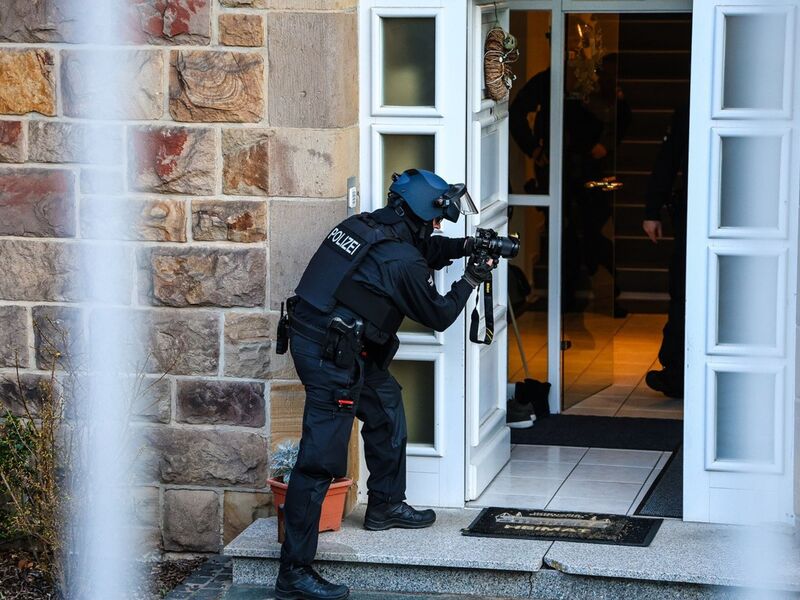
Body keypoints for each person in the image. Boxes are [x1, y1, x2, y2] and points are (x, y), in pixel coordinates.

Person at [274, 169, 494, 600]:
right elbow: (439, 314)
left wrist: (466, 246)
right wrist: (471, 278)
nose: (437, 227)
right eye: (436, 219)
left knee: (385, 406)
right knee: (320, 462)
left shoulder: (366, 227)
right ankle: (294, 573)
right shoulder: (401, 261)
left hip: (335, 343)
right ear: (418, 213)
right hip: (330, 357)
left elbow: (422, 248)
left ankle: (386, 506)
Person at [643, 103, 690, 399]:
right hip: (691, 214)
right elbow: (668, 160)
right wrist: (652, 210)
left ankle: (678, 372)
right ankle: (675, 373)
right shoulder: (689, 107)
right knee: (682, 291)